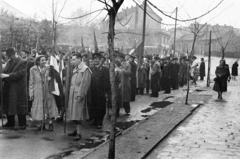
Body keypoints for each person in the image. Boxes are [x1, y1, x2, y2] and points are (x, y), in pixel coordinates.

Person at [29, 55, 58, 131]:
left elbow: (54, 78)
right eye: (42, 60)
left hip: (48, 90)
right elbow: (31, 82)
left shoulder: (49, 68)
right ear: (38, 61)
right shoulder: (33, 69)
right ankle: (41, 123)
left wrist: (50, 78)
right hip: (38, 90)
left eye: (45, 60)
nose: (44, 61)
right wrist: (31, 93)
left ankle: (51, 123)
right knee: (40, 107)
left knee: (49, 106)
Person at [1, 48, 27, 129]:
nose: (10, 57)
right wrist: (3, 75)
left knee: (20, 105)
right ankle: (10, 122)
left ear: (15, 53)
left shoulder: (23, 62)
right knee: (9, 105)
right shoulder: (9, 62)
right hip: (9, 87)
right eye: (9, 56)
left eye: (11, 55)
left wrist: (8, 75)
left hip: (18, 87)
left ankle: (22, 124)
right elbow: (6, 71)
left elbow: (20, 74)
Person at [67, 53, 91, 141]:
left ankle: (79, 133)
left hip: (78, 94)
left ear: (80, 59)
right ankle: (76, 130)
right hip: (73, 93)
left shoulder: (85, 69)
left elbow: (85, 84)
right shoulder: (75, 69)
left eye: (74, 59)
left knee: (78, 114)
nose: (72, 61)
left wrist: (81, 95)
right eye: (72, 59)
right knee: (74, 113)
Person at [89, 52, 110, 129]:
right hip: (93, 91)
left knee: (100, 107)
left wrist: (106, 92)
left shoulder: (105, 69)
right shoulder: (91, 69)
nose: (95, 61)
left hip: (101, 92)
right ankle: (94, 119)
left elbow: (107, 81)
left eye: (97, 59)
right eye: (94, 59)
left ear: (100, 60)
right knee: (93, 106)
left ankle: (99, 122)